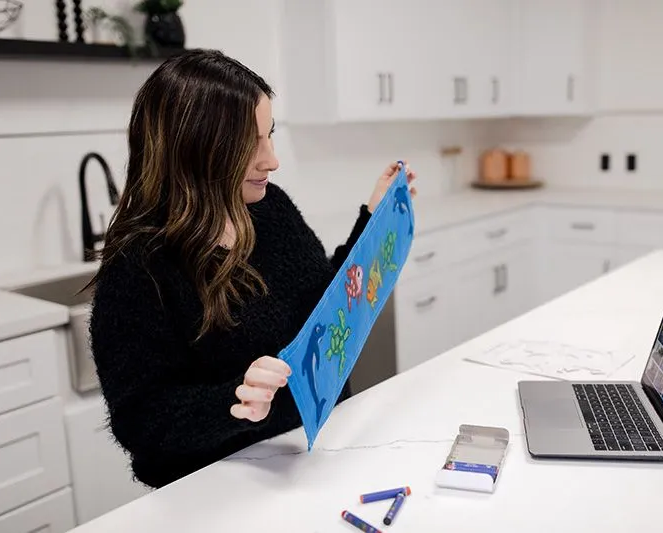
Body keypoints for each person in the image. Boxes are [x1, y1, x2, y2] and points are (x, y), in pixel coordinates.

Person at [88, 49, 417, 489]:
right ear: (195, 148)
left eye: (270, 135)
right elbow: (140, 418)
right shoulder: (140, 267)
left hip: (317, 452)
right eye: (250, 144)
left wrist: (374, 222)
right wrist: (235, 400)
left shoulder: (270, 207)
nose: (271, 160)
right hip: (227, 486)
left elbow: (327, 305)